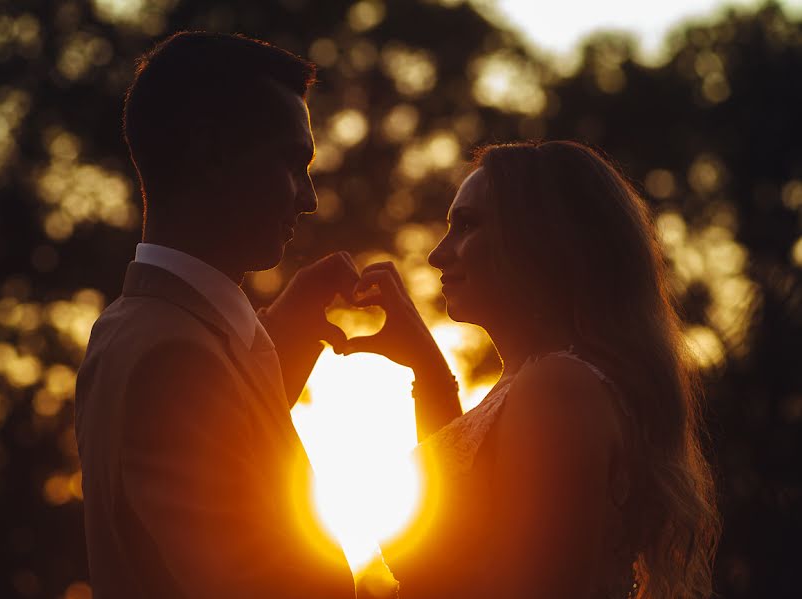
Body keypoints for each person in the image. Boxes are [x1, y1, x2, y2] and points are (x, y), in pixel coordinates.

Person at [343, 141, 722, 598]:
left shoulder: (558, 386)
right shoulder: (543, 383)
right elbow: (468, 512)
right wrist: (427, 369)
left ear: (543, 239)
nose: (438, 255)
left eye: (466, 226)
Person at [75, 31, 362, 598]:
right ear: (212, 154)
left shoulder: (133, 326)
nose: (308, 198)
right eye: (292, 162)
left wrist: (282, 338)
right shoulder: (174, 359)